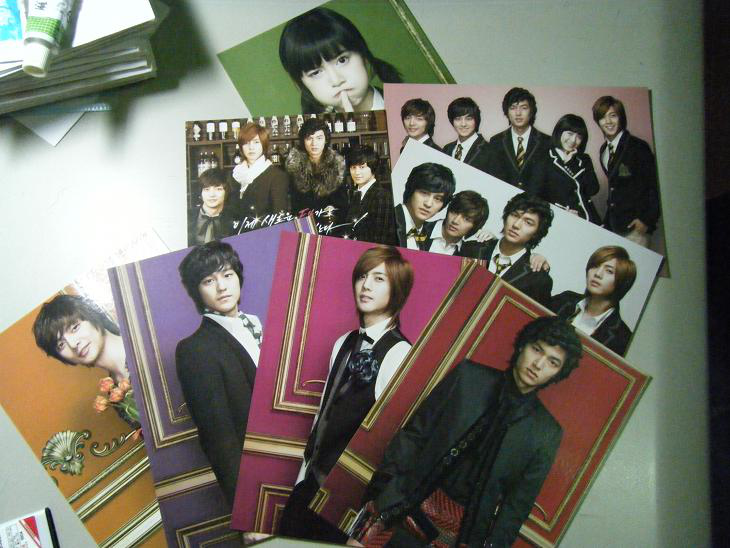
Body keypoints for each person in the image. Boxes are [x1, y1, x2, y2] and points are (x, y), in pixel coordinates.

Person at [355, 316, 582, 548]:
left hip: (458, 535)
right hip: (401, 503)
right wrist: (382, 489)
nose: (538, 364)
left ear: (558, 373)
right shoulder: (468, 377)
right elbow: (414, 434)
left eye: (553, 362)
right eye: (537, 350)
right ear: (523, 345)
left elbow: (516, 508)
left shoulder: (546, 432)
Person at [279, 246, 414, 542]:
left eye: (379, 279)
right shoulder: (344, 341)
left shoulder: (400, 354)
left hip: (347, 502)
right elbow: (323, 416)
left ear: (397, 290)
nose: (366, 286)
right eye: (362, 276)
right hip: (309, 486)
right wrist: (302, 478)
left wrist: (365, 526)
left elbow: (394, 447)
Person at [175, 241, 262, 508]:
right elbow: (218, 438)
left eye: (227, 275)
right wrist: (245, 508)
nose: (222, 287)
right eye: (208, 280)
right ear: (197, 291)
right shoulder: (194, 349)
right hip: (259, 478)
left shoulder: (258, 324)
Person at [278, 7, 401, 114]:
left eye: (342, 60)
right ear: (301, 84)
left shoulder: (407, 102)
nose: (336, 80)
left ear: (362, 54)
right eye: (316, 73)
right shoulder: (319, 132)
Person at [592, 96, 660, 247]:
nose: (608, 122)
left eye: (613, 116)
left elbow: (653, 186)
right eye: (602, 117)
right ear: (598, 121)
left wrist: (646, 221)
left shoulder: (638, 146)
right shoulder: (603, 150)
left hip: (635, 227)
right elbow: (615, 188)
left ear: (621, 118)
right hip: (613, 227)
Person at [469, 193, 554, 307]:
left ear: (537, 232)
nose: (516, 225)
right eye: (514, 215)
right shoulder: (471, 248)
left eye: (528, 222)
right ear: (506, 216)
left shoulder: (538, 280)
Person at [550, 245, 636, 356]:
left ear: (622, 281)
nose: (598, 274)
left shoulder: (622, 337)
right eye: (595, 266)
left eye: (609, 271)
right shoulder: (565, 299)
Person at [33, 294, 129, 384]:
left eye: (75, 328)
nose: (72, 344)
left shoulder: (138, 341)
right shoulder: (116, 390)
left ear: (91, 315)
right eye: (61, 345)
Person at [285, 117, 348, 224]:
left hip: (331, 224)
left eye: (319, 138)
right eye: (309, 138)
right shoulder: (293, 167)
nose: (314, 143)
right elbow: (290, 203)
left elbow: (343, 205)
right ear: (303, 141)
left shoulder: (337, 166)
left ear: (326, 140)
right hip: (302, 225)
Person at [487, 87, 550, 194]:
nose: (518, 113)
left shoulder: (546, 142)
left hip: (536, 203)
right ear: (507, 112)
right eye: (513, 108)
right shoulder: (496, 142)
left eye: (524, 108)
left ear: (531, 111)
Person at [542, 114, 601, 224]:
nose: (573, 140)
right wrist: (562, 212)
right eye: (570, 134)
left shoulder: (584, 159)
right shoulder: (544, 157)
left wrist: (571, 163)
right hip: (560, 219)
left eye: (579, 136)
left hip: (590, 219)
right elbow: (538, 195)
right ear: (559, 132)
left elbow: (593, 189)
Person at [231, 121, 290, 226]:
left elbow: (280, 219)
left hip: (264, 234)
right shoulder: (235, 174)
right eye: (246, 143)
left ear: (264, 144)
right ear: (241, 146)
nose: (251, 147)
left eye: (256, 142)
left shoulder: (277, 176)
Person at [341, 144, 397, 245]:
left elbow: (380, 240)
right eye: (353, 167)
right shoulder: (356, 194)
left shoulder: (381, 196)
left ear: (373, 167)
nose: (357, 172)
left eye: (362, 167)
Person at [394, 162, 456, 250]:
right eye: (424, 193)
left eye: (437, 198)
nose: (428, 204)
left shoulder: (424, 234)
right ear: (411, 189)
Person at [422, 190, 489, 256]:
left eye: (466, 219)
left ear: (475, 226)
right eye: (454, 212)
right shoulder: (420, 229)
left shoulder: (468, 252)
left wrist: (491, 243)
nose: (455, 221)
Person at [442, 97, 491, 173]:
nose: (463, 124)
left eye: (468, 119)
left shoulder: (489, 151)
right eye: (458, 119)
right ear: (452, 121)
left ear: (476, 120)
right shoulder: (447, 149)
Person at [188, 168, 236, 246]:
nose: (212, 195)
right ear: (201, 193)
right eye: (207, 189)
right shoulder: (188, 216)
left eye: (218, 189)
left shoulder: (235, 217)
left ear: (226, 191)